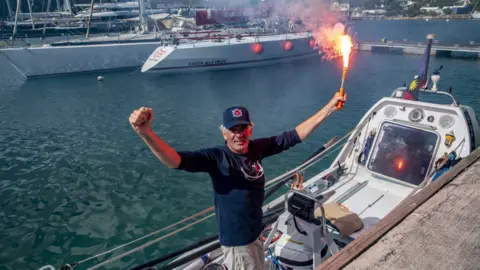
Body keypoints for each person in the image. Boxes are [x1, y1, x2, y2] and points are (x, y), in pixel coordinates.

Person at [129, 92, 347, 270]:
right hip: (238, 245)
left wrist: (329, 107)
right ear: (224, 133)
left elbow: (293, 137)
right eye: (233, 130)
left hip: (254, 237)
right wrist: (146, 133)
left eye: (243, 128)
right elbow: (175, 160)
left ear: (250, 128)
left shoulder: (256, 149)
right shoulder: (216, 158)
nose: (239, 134)